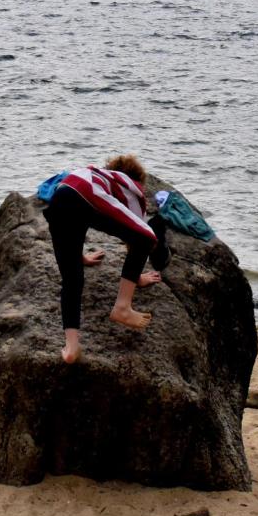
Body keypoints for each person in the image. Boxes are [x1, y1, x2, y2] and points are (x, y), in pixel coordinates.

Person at [42, 153, 169, 364]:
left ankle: (71, 347)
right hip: (83, 196)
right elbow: (137, 235)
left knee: (72, 279)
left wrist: (78, 257)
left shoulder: (93, 173)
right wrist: (136, 278)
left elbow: (77, 217)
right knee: (147, 238)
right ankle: (122, 307)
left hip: (61, 198)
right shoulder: (130, 187)